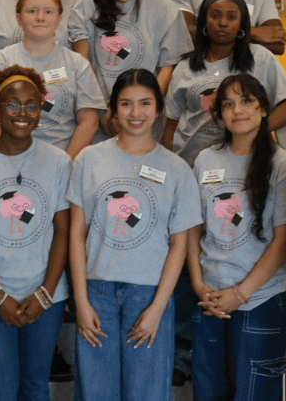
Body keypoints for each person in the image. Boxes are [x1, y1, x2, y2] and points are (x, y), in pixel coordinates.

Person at [68, 69, 202, 401]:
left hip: (150, 293)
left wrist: (158, 307)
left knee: (147, 391)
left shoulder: (176, 169)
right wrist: (81, 300)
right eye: (126, 104)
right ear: (112, 110)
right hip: (96, 291)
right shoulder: (89, 159)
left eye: (145, 103)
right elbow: (75, 233)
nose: (136, 113)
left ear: (158, 109)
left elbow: (179, 244)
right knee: (96, 391)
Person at [0, 65, 74, 401]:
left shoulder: (58, 162)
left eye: (32, 105)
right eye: (12, 104)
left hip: (45, 294)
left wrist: (45, 294)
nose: (22, 113)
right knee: (0, 390)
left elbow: (63, 231)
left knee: (35, 388)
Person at [186, 73, 286, 401]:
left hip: (259, 300)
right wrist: (197, 284)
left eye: (246, 101)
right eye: (228, 104)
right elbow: (193, 229)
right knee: (208, 392)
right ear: (219, 113)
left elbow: (283, 239)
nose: (238, 110)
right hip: (210, 298)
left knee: (253, 394)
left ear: (263, 108)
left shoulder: (281, 164)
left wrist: (241, 293)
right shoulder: (206, 160)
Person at [161, 0, 286, 163]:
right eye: (215, 16)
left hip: (241, 163)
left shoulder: (260, 58)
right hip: (188, 163)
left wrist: (253, 131)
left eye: (232, 17)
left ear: (242, 24)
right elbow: (170, 125)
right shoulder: (185, 66)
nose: (223, 23)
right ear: (204, 21)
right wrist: (165, 164)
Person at [0, 0, 106, 157]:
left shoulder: (77, 64)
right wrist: (9, 158)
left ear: (59, 19)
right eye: (32, 11)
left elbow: (89, 122)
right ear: (19, 18)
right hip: (9, 159)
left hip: (62, 163)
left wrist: (65, 165)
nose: (40, 18)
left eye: (48, 11)